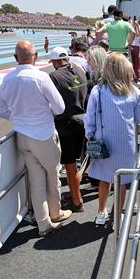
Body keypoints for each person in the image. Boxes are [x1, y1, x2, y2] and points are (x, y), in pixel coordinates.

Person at [0, 40, 72, 236]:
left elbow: (1, 111)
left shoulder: (6, 80)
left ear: (15, 58)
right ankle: (56, 213)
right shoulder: (41, 78)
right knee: (53, 175)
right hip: (44, 135)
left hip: (22, 136)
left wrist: (19, 117)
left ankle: (43, 223)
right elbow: (60, 108)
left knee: (36, 180)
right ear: (36, 56)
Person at [83, 53, 140, 226]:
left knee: (105, 179)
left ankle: (101, 211)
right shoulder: (134, 91)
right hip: (126, 142)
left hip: (104, 142)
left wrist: (90, 135)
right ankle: (119, 212)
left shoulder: (98, 90)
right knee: (123, 179)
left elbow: (89, 118)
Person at [48, 46, 89, 213]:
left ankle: (77, 201)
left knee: (70, 165)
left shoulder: (54, 76)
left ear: (56, 62)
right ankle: (77, 194)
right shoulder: (79, 70)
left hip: (66, 126)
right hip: (83, 121)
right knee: (80, 163)